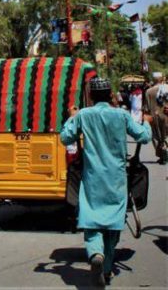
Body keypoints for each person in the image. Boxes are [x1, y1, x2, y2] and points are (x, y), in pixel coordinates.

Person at [60, 77, 152, 287]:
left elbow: (65, 138)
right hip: (117, 180)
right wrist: (146, 121)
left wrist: (72, 117)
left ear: (90, 96)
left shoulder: (83, 115)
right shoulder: (121, 115)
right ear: (111, 94)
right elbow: (143, 137)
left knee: (92, 222)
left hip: (92, 179)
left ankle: (95, 254)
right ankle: (107, 267)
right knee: (112, 225)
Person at [144, 72, 168, 164]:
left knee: (156, 136)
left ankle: (162, 155)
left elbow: (146, 108)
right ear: (162, 78)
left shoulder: (148, 91)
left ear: (153, 80)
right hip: (166, 115)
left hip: (154, 116)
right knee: (166, 135)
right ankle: (166, 148)